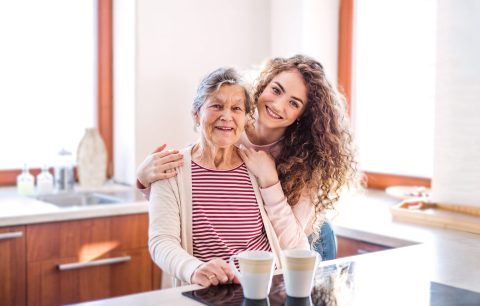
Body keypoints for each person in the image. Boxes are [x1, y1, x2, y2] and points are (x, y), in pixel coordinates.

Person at [142, 55, 359, 261]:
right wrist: (144, 179)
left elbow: (294, 243)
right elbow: (190, 191)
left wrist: (270, 181)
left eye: (294, 103)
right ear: (263, 85)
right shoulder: (232, 126)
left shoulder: (306, 160)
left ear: (303, 115)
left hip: (311, 240)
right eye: (276, 90)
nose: (277, 105)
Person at [148, 67, 309, 288]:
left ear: (245, 119)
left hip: (264, 289)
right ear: (196, 114)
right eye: (216, 106)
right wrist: (194, 269)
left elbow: (296, 244)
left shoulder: (259, 167)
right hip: (207, 292)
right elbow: (161, 241)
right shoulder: (171, 168)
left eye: (236, 108)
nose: (227, 116)